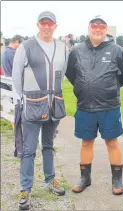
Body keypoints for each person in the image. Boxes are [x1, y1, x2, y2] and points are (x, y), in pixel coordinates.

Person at [65, 15, 123, 195]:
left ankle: (117, 180)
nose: (98, 29)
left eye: (102, 27)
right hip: (85, 106)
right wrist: (83, 87)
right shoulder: (76, 50)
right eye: (94, 26)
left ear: (106, 30)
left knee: (112, 142)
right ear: (89, 28)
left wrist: (109, 87)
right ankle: (84, 178)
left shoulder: (116, 50)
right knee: (86, 142)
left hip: (109, 106)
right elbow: (71, 74)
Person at [12, 11, 69, 210]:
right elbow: (17, 77)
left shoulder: (63, 48)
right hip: (32, 105)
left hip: (54, 106)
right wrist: (24, 100)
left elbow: (63, 74)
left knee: (48, 145)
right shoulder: (26, 47)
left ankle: (50, 179)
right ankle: (25, 189)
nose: (47, 27)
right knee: (28, 149)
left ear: (55, 25)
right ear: (38, 24)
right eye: (43, 23)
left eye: (50, 23)